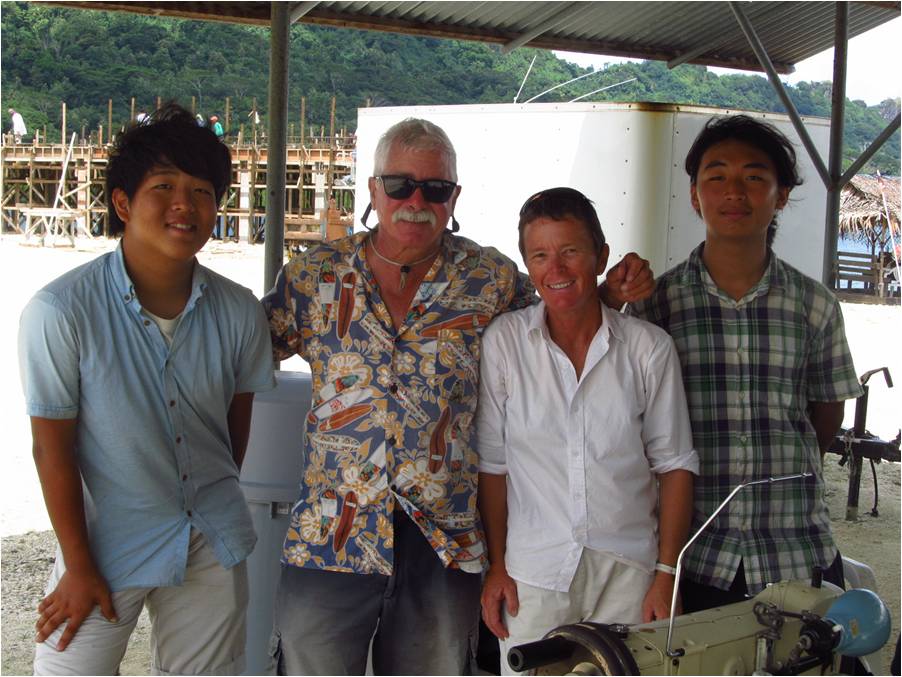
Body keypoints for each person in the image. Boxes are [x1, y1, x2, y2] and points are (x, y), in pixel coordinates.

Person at [262, 118, 654, 675]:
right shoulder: (312, 276)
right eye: (399, 185)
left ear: (454, 197)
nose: (416, 201)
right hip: (332, 535)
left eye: (435, 188)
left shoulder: (489, 278)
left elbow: (557, 319)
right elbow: (240, 350)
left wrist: (610, 291)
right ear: (372, 189)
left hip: (444, 540)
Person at [18, 104, 275, 675]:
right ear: (122, 203)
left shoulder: (239, 312)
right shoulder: (61, 311)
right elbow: (50, 449)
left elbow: (232, 438)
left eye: (202, 191)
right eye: (164, 186)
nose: (185, 204)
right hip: (104, 544)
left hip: (210, 540)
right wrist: (77, 565)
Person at [628, 115, 863, 613]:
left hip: (795, 550)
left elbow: (826, 414)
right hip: (692, 557)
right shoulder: (657, 305)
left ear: (781, 196)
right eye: (716, 176)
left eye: (754, 176)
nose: (734, 191)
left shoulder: (814, 305)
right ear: (695, 197)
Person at [476, 188, 698, 674]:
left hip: (630, 573)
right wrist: (497, 566)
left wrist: (666, 574)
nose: (555, 268)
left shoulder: (648, 349)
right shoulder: (505, 343)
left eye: (570, 251)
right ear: (527, 265)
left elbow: (675, 465)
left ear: (601, 256)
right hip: (534, 575)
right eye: (540, 255)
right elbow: (494, 466)